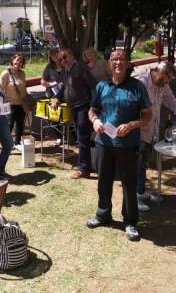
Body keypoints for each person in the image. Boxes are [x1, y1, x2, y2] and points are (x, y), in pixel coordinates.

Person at [86, 49, 152, 241]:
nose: (117, 63)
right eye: (114, 59)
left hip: (128, 145)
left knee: (129, 184)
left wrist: (132, 125)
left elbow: (147, 116)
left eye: (121, 59)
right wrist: (95, 121)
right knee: (103, 180)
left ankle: (130, 221)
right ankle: (103, 214)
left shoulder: (137, 87)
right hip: (103, 142)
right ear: (109, 63)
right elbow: (92, 110)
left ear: (128, 63)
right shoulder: (101, 86)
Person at [136, 61, 176, 212]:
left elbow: (169, 98)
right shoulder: (141, 83)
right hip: (138, 131)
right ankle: (135, 198)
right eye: (168, 79)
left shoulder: (162, 85)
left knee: (144, 163)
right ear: (161, 72)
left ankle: (141, 192)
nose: (168, 82)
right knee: (137, 165)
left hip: (151, 130)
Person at [53, 48, 97, 178]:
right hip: (75, 108)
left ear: (72, 55)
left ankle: (84, 169)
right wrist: (56, 98)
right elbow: (64, 88)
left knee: (82, 139)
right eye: (60, 59)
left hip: (84, 107)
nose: (63, 60)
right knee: (81, 138)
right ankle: (84, 165)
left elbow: (94, 86)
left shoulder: (80, 67)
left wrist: (93, 107)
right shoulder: (67, 71)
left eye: (65, 57)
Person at [0, 53, 30, 149]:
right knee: (9, 125)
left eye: (21, 61)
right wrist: (4, 102)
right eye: (17, 60)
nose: (19, 62)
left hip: (21, 103)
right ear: (12, 60)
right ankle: (7, 145)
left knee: (20, 124)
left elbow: (23, 87)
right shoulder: (6, 74)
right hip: (10, 104)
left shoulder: (22, 73)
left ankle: (17, 143)